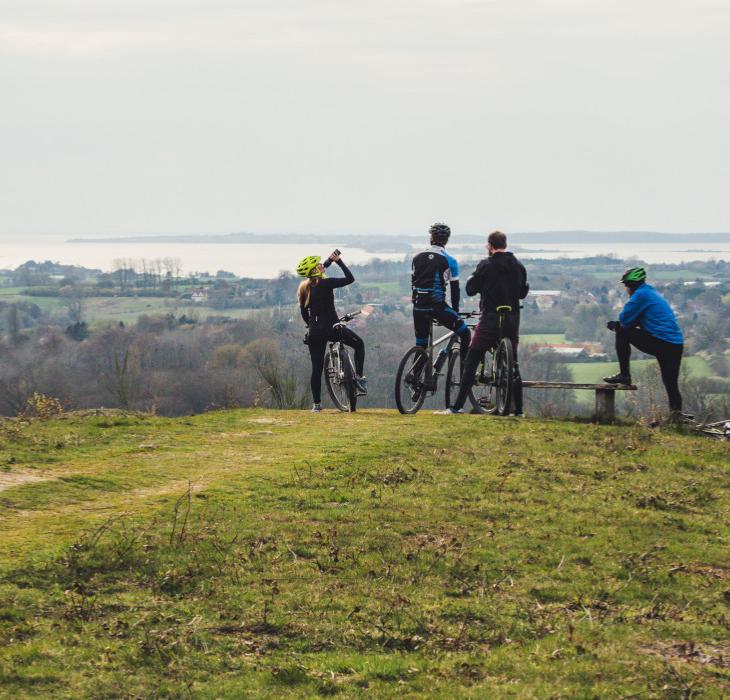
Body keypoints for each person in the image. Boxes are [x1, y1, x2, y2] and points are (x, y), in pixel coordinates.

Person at [436, 230, 529, 415]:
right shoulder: (519, 266)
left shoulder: (485, 265)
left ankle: (457, 406)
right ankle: (518, 410)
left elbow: (471, 289)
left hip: (490, 319)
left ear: (490, 246)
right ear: (505, 244)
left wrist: (474, 279)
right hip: (512, 319)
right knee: (513, 364)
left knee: (472, 359)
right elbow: (522, 292)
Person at [603, 267, 684, 415]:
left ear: (630, 285)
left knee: (621, 332)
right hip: (675, 345)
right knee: (671, 383)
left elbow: (624, 319)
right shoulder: (650, 292)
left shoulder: (640, 295)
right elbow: (637, 320)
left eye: (626, 285)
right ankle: (676, 415)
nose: (626, 288)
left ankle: (624, 375)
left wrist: (616, 326)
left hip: (661, 342)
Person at [296, 251, 366, 412]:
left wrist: (311, 326)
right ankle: (360, 379)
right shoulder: (326, 284)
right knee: (359, 344)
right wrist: (339, 262)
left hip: (314, 333)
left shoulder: (305, 288)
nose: (322, 265)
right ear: (314, 271)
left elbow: (304, 313)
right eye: (318, 265)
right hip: (332, 328)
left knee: (317, 368)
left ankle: (316, 406)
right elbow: (350, 279)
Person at [411, 223, 471, 364]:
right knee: (465, 334)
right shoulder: (450, 260)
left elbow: (413, 283)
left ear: (430, 238)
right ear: (447, 241)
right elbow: (455, 290)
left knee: (421, 344)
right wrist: (455, 311)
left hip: (418, 308)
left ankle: (414, 377)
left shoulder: (417, 257)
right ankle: (464, 377)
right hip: (437, 308)